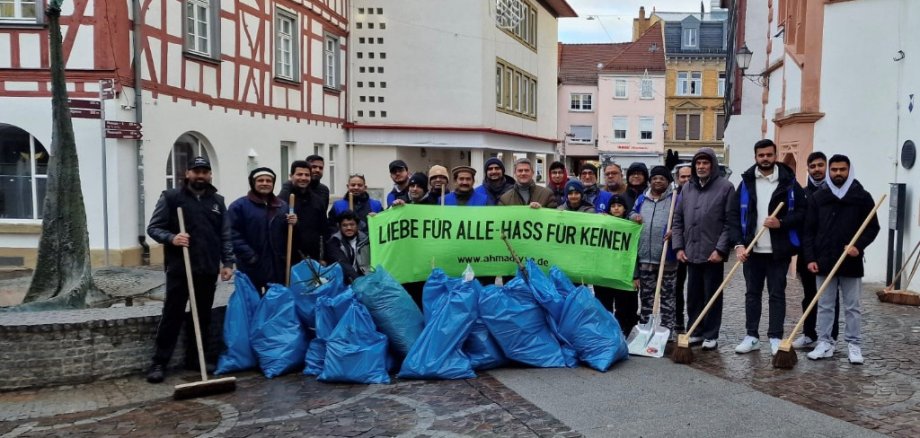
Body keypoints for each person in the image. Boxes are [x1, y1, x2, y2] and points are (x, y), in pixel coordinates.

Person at [145, 156, 234, 384]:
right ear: (188, 174)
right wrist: (172, 238)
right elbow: (154, 228)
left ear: (210, 175)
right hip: (179, 268)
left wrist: (227, 263)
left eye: (205, 171)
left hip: (206, 268)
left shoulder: (217, 201)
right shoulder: (172, 198)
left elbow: (225, 235)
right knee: (172, 316)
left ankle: (196, 359)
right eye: (196, 171)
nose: (200, 176)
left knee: (202, 317)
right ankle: (159, 362)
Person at [728, 139, 806, 356]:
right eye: (761, 155)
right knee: (752, 294)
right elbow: (734, 216)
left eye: (769, 155)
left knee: (776, 295)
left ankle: (775, 337)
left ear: (775, 155)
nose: (765, 159)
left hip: (777, 251)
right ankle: (751, 336)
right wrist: (738, 244)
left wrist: (781, 223)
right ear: (755, 157)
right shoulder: (745, 183)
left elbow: (802, 212)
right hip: (752, 251)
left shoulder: (789, 182)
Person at [804, 155, 880, 364]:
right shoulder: (819, 197)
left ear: (849, 170)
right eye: (834, 169)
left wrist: (859, 246)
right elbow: (808, 231)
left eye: (842, 170)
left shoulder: (861, 196)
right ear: (829, 171)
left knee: (852, 306)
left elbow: (872, 227)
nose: (838, 173)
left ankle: (854, 345)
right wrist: (810, 257)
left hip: (851, 262)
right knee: (825, 305)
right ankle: (825, 342)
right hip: (824, 260)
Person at [672, 147, 735, 350]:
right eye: (698, 163)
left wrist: (721, 249)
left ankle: (711, 334)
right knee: (693, 295)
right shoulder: (687, 188)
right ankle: (695, 331)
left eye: (705, 163)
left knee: (712, 295)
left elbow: (729, 222)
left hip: (712, 253)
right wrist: (678, 247)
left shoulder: (725, 187)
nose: (701, 166)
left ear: (712, 165)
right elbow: (678, 219)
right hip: (690, 251)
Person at [793, 151, 840, 349]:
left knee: (830, 298)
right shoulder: (803, 193)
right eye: (813, 166)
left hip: (830, 253)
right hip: (808, 254)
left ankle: (829, 338)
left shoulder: (837, 192)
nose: (817, 169)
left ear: (826, 167)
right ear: (808, 169)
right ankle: (809, 334)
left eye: (820, 165)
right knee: (809, 296)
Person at [228, 167, 298, 292]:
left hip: (277, 266)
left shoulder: (282, 206)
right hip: (251, 265)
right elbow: (232, 233)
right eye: (260, 180)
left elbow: (289, 236)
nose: (265, 183)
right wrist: (250, 256)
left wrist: (293, 223)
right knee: (253, 302)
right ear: (253, 183)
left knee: (275, 302)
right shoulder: (239, 206)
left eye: (268, 181)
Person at [629, 166, 678, 332]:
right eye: (655, 178)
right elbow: (631, 213)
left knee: (667, 298)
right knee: (646, 297)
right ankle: (645, 329)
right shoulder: (642, 199)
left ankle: (666, 330)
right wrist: (633, 216)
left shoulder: (675, 200)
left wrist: (675, 231)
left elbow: (682, 222)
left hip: (666, 259)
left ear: (668, 182)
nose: (658, 181)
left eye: (662, 178)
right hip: (645, 258)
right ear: (650, 181)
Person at [597, 193, 639, 334]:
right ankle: (606, 332)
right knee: (604, 305)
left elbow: (634, 253)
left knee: (622, 306)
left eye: (619, 206)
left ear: (624, 209)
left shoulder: (631, 228)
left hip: (622, 273)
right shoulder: (602, 224)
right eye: (613, 206)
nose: (616, 209)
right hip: (604, 272)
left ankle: (622, 330)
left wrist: (635, 275)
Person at [279, 160, 327, 265]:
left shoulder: (317, 201)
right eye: (299, 174)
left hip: (311, 256)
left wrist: (323, 256)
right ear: (291, 176)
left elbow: (323, 231)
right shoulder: (282, 200)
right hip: (288, 256)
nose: (304, 178)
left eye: (307, 175)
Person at [673, 163, 692, 333]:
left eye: (689, 176)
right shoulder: (674, 196)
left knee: (694, 289)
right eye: (683, 177)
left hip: (695, 248)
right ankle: (677, 320)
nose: (686, 180)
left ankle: (695, 324)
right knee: (676, 287)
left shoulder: (698, 194)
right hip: (677, 249)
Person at [325, 211, 370, 285]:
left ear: (357, 225)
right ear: (339, 226)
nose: (349, 228)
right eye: (345, 225)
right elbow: (343, 264)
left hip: (366, 279)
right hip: (343, 283)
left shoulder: (366, 239)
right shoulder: (334, 242)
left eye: (352, 224)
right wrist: (359, 282)